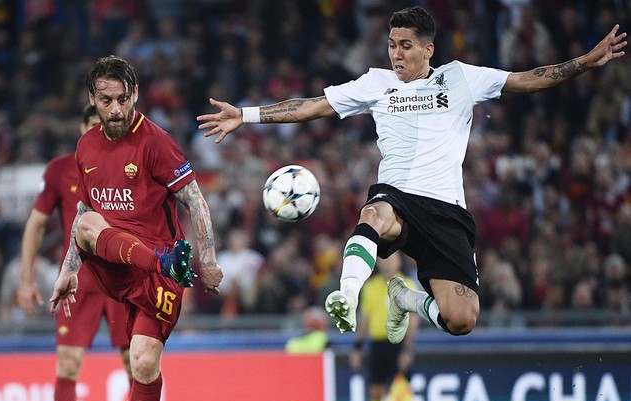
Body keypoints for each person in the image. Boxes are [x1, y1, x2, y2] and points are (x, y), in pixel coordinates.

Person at [197, 6, 626, 344]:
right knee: (375, 214)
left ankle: (404, 300)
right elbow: (313, 106)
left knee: (462, 320)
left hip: (446, 211)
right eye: (391, 45)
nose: (396, 54)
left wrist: (586, 62)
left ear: (428, 49)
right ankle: (346, 294)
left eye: (405, 45)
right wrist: (246, 115)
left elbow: (529, 79)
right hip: (398, 196)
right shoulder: (376, 83)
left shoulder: (461, 78)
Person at [49, 55, 223, 401]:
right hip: (116, 263)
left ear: (135, 96)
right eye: (105, 100)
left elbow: (195, 200)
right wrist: (68, 269)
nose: (114, 109)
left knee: (144, 363)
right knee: (88, 221)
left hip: (159, 272)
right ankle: (162, 260)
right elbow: (84, 215)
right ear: (92, 99)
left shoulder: (157, 142)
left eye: (122, 99)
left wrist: (209, 258)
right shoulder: (85, 147)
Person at [17, 104, 131, 401]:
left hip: (123, 277)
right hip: (78, 282)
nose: (99, 129)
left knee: (137, 363)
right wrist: (25, 279)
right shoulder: (60, 169)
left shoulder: (130, 162)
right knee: (68, 363)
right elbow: (35, 224)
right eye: (92, 123)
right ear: (82, 127)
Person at [350, 253, 418, 401]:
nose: (386, 262)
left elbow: (413, 321)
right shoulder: (371, 287)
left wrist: (407, 349)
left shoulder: (407, 285)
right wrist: (357, 347)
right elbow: (365, 319)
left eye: (391, 258)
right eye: (383, 258)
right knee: (376, 391)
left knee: (401, 392)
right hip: (378, 343)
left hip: (399, 345)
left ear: (398, 261)